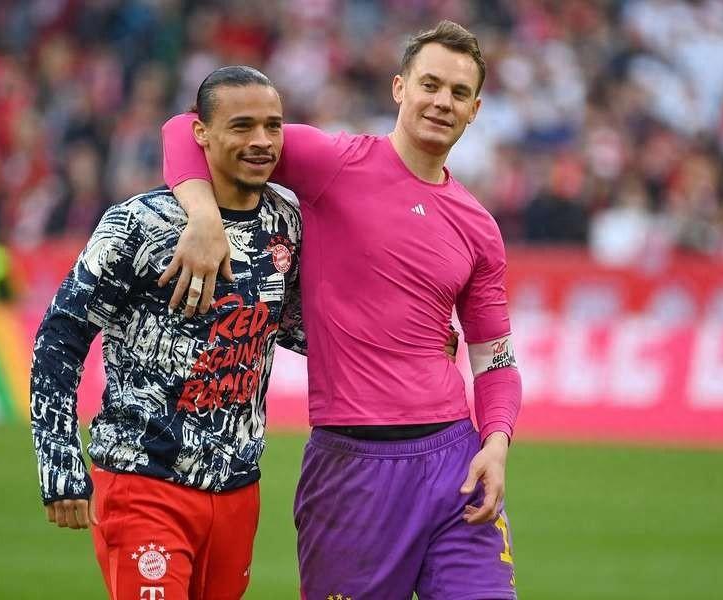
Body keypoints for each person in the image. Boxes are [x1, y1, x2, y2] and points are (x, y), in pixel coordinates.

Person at [160, 20, 522, 600]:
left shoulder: (479, 226)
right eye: (430, 84)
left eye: (459, 93)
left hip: (455, 463)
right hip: (353, 468)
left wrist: (496, 444)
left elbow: (495, 360)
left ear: (475, 110)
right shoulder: (334, 163)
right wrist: (204, 218)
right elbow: (186, 128)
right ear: (399, 88)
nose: (442, 102)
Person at [30, 66, 307, 600]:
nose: (261, 141)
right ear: (201, 133)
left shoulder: (286, 224)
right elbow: (59, 338)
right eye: (242, 126)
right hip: (144, 482)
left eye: (273, 126)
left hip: (238, 488)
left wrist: (410, 336)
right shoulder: (138, 224)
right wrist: (58, 457)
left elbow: (298, 328)